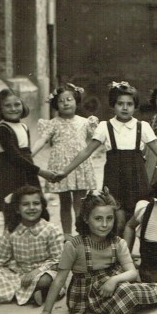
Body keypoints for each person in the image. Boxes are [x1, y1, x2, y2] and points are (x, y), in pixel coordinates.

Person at [57, 81, 157, 236]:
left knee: (140, 217)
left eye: (129, 104)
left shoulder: (142, 126)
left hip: (137, 178)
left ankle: (134, 254)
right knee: (118, 220)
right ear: (113, 105)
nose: (124, 107)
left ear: (135, 106)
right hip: (115, 178)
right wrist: (65, 171)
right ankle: (117, 254)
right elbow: (86, 151)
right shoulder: (105, 126)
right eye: (120, 103)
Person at [30, 188, 157, 314]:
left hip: (111, 286)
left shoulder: (118, 243)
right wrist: (46, 311)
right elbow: (59, 279)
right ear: (86, 218)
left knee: (129, 289)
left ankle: (140, 299)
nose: (104, 224)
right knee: (127, 293)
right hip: (84, 296)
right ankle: (130, 304)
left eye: (109, 218)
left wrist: (113, 281)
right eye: (98, 219)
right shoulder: (74, 245)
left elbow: (131, 272)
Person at [0, 185, 65, 306]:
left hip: (43, 272)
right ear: (17, 209)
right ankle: (32, 294)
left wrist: (36, 271)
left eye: (36, 203)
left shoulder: (51, 230)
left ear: (42, 206)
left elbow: (58, 260)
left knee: (46, 280)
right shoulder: (12, 230)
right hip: (19, 275)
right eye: (25, 204)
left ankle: (31, 292)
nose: (31, 208)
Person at [32, 83, 99, 234]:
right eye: (61, 101)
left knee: (80, 203)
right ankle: (67, 235)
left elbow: (97, 140)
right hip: (60, 166)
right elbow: (42, 140)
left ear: (76, 100)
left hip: (79, 165)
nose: (66, 103)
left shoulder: (85, 122)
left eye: (69, 99)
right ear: (56, 105)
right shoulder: (53, 123)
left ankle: (82, 234)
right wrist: (30, 155)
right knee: (64, 202)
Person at [0, 88, 54, 215]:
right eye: (8, 106)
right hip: (9, 175)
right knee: (12, 211)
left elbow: (26, 154)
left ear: (23, 105)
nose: (13, 109)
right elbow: (15, 157)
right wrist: (41, 172)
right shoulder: (3, 129)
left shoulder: (24, 127)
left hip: (27, 173)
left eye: (17, 104)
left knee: (32, 209)